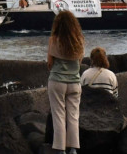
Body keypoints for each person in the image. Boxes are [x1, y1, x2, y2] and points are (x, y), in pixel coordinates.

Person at [47, 10, 84, 154]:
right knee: (73, 116)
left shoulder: (53, 40)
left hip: (57, 81)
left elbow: (50, 63)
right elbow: (79, 62)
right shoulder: (79, 41)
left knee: (59, 115)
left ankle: (60, 149)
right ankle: (73, 149)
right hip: (74, 82)